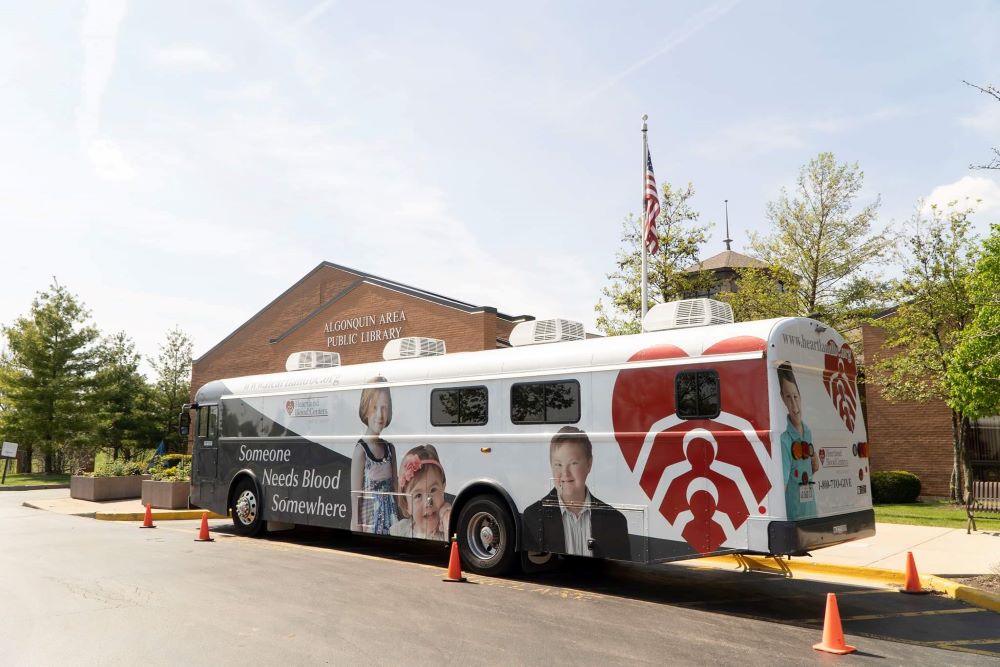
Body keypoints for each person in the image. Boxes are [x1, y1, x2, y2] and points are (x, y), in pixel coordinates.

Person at [522, 426, 630, 560]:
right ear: (551, 465)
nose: (565, 474)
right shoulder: (533, 516)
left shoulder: (615, 521)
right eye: (558, 465)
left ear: (589, 464)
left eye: (573, 463)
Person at [351, 376, 399, 534]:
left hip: (391, 519)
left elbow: (395, 487)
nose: (380, 415)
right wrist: (356, 526)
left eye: (384, 408)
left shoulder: (390, 449)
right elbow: (356, 495)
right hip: (370, 520)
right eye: (374, 408)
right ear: (365, 409)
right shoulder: (361, 450)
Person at [777, 362, 820, 520]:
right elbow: (784, 483)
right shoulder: (784, 440)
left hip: (811, 513)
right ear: (782, 398)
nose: (794, 406)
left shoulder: (807, 432)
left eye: (795, 396)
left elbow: (810, 470)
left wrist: (814, 463)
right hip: (794, 515)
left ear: (800, 396)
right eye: (788, 397)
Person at [389, 445, 451, 541]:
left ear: (443, 488)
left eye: (433, 490)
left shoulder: (447, 529)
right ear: (406, 505)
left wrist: (447, 521)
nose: (428, 503)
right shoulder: (400, 531)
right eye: (418, 495)